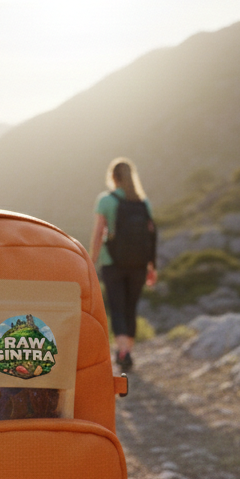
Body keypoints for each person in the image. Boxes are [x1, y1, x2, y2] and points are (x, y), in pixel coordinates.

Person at [89, 157, 156, 371]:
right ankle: (129, 351)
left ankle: (123, 351)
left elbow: (99, 233)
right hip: (139, 264)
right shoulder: (143, 202)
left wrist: (91, 260)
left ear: (113, 177)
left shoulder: (106, 200)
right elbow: (152, 235)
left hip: (113, 263)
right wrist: (152, 266)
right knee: (130, 308)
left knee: (117, 307)